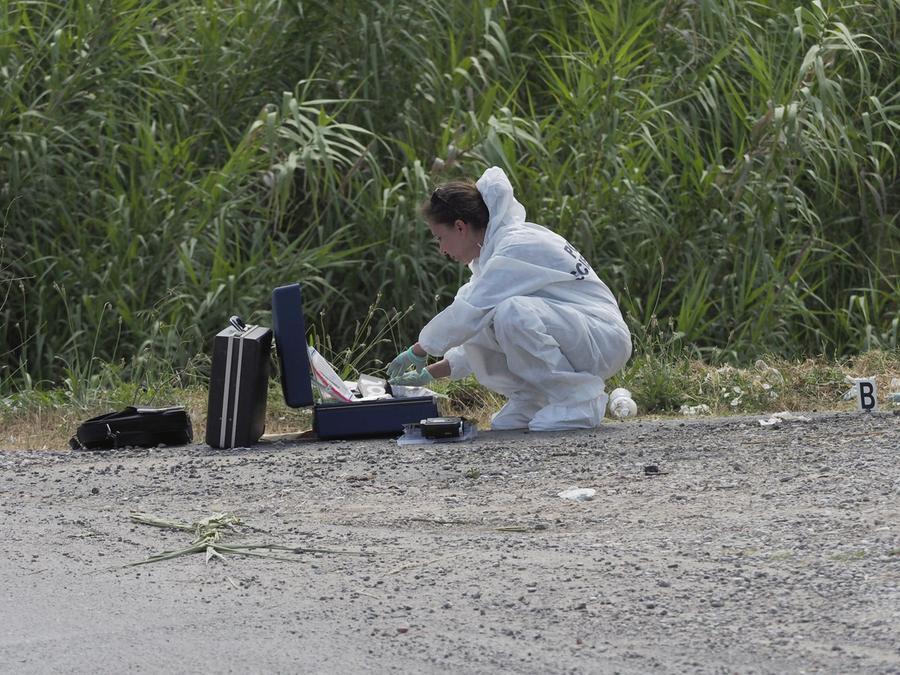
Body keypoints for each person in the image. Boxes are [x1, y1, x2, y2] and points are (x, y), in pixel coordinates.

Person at [386, 166, 632, 431]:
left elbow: (470, 313)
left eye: (440, 238)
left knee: (510, 312)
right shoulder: (492, 258)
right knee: (489, 315)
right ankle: (533, 399)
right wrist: (429, 373)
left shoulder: (516, 245)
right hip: (578, 335)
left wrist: (419, 350)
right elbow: (472, 328)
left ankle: (578, 401)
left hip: (603, 339)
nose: (442, 249)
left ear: (460, 227)